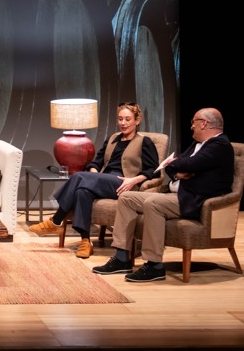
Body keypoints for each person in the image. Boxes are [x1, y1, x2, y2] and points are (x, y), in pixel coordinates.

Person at [93, 107, 235, 282]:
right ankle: (122, 258)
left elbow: (187, 164)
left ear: (204, 123)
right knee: (127, 197)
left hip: (195, 199)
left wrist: (183, 167)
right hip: (178, 194)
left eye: (194, 122)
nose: (191, 126)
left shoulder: (220, 145)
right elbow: (171, 165)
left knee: (153, 203)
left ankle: (154, 265)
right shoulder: (197, 143)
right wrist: (180, 169)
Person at [30, 102, 161, 259]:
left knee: (78, 176)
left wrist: (134, 180)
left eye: (127, 119)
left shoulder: (144, 142)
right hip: (104, 180)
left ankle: (56, 220)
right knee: (81, 191)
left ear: (137, 120)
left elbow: (154, 170)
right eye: (120, 119)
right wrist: (93, 175)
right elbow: (96, 162)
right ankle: (86, 241)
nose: (123, 123)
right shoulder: (113, 139)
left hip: (124, 183)